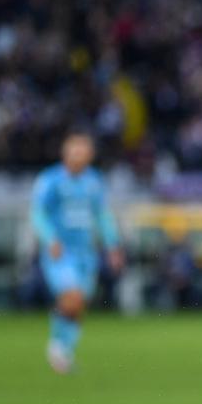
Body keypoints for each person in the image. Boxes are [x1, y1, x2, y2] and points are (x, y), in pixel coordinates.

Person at [31, 132, 123, 373]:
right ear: (65, 153)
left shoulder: (94, 181)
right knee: (72, 296)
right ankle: (56, 346)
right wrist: (50, 239)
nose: (79, 156)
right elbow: (38, 214)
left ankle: (64, 349)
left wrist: (112, 245)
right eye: (75, 151)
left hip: (86, 252)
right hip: (61, 252)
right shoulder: (50, 180)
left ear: (90, 155)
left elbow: (102, 216)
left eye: (83, 151)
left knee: (79, 304)